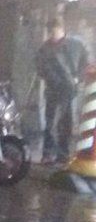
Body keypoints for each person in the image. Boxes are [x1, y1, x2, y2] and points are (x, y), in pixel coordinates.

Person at [36, 18, 91, 163]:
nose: (53, 35)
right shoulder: (45, 48)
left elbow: (85, 62)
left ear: (61, 30)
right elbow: (40, 68)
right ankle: (48, 154)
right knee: (51, 122)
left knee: (65, 122)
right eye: (51, 32)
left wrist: (78, 78)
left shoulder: (76, 44)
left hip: (68, 89)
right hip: (54, 89)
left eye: (55, 32)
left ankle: (63, 154)